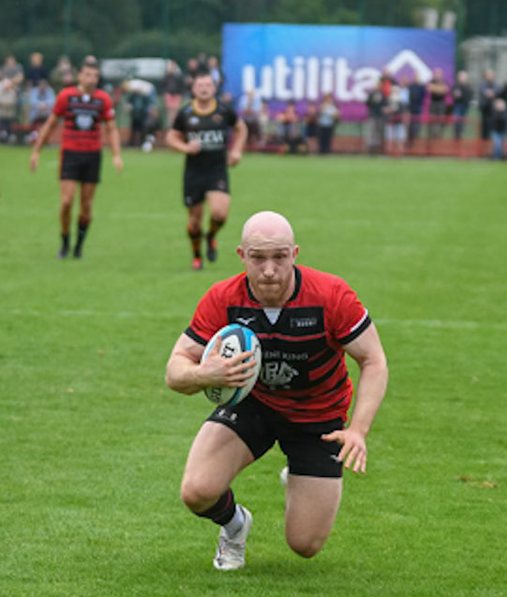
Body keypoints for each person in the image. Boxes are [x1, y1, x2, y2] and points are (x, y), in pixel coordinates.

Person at [166, 210, 389, 571]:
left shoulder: (331, 295)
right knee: (197, 492)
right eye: (258, 258)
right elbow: (175, 370)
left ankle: (298, 480)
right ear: (241, 256)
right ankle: (235, 526)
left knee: (304, 545)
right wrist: (206, 373)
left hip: (319, 417)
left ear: (295, 254)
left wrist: (358, 430)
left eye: (279, 257)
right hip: (255, 406)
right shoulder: (224, 297)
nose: (269, 269)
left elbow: (374, 360)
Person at [29, 57, 123, 259]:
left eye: (95, 75)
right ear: (79, 76)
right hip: (70, 154)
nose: (92, 79)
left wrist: (116, 155)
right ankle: (64, 242)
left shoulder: (103, 99)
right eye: (88, 75)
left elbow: (112, 129)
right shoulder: (66, 96)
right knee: (66, 202)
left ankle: (79, 246)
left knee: (87, 206)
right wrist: (37, 151)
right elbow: (50, 124)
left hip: (92, 155)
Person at [168, 70, 246, 270]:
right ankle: (197, 256)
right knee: (194, 221)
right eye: (200, 85)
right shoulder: (186, 112)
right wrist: (185, 147)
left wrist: (236, 151)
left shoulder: (223, 110)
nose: (204, 89)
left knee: (220, 214)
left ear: (214, 87)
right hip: (193, 172)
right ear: (193, 88)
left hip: (217, 170)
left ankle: (211, 235)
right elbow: (171, 137)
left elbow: (241, 128)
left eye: (208, 85)